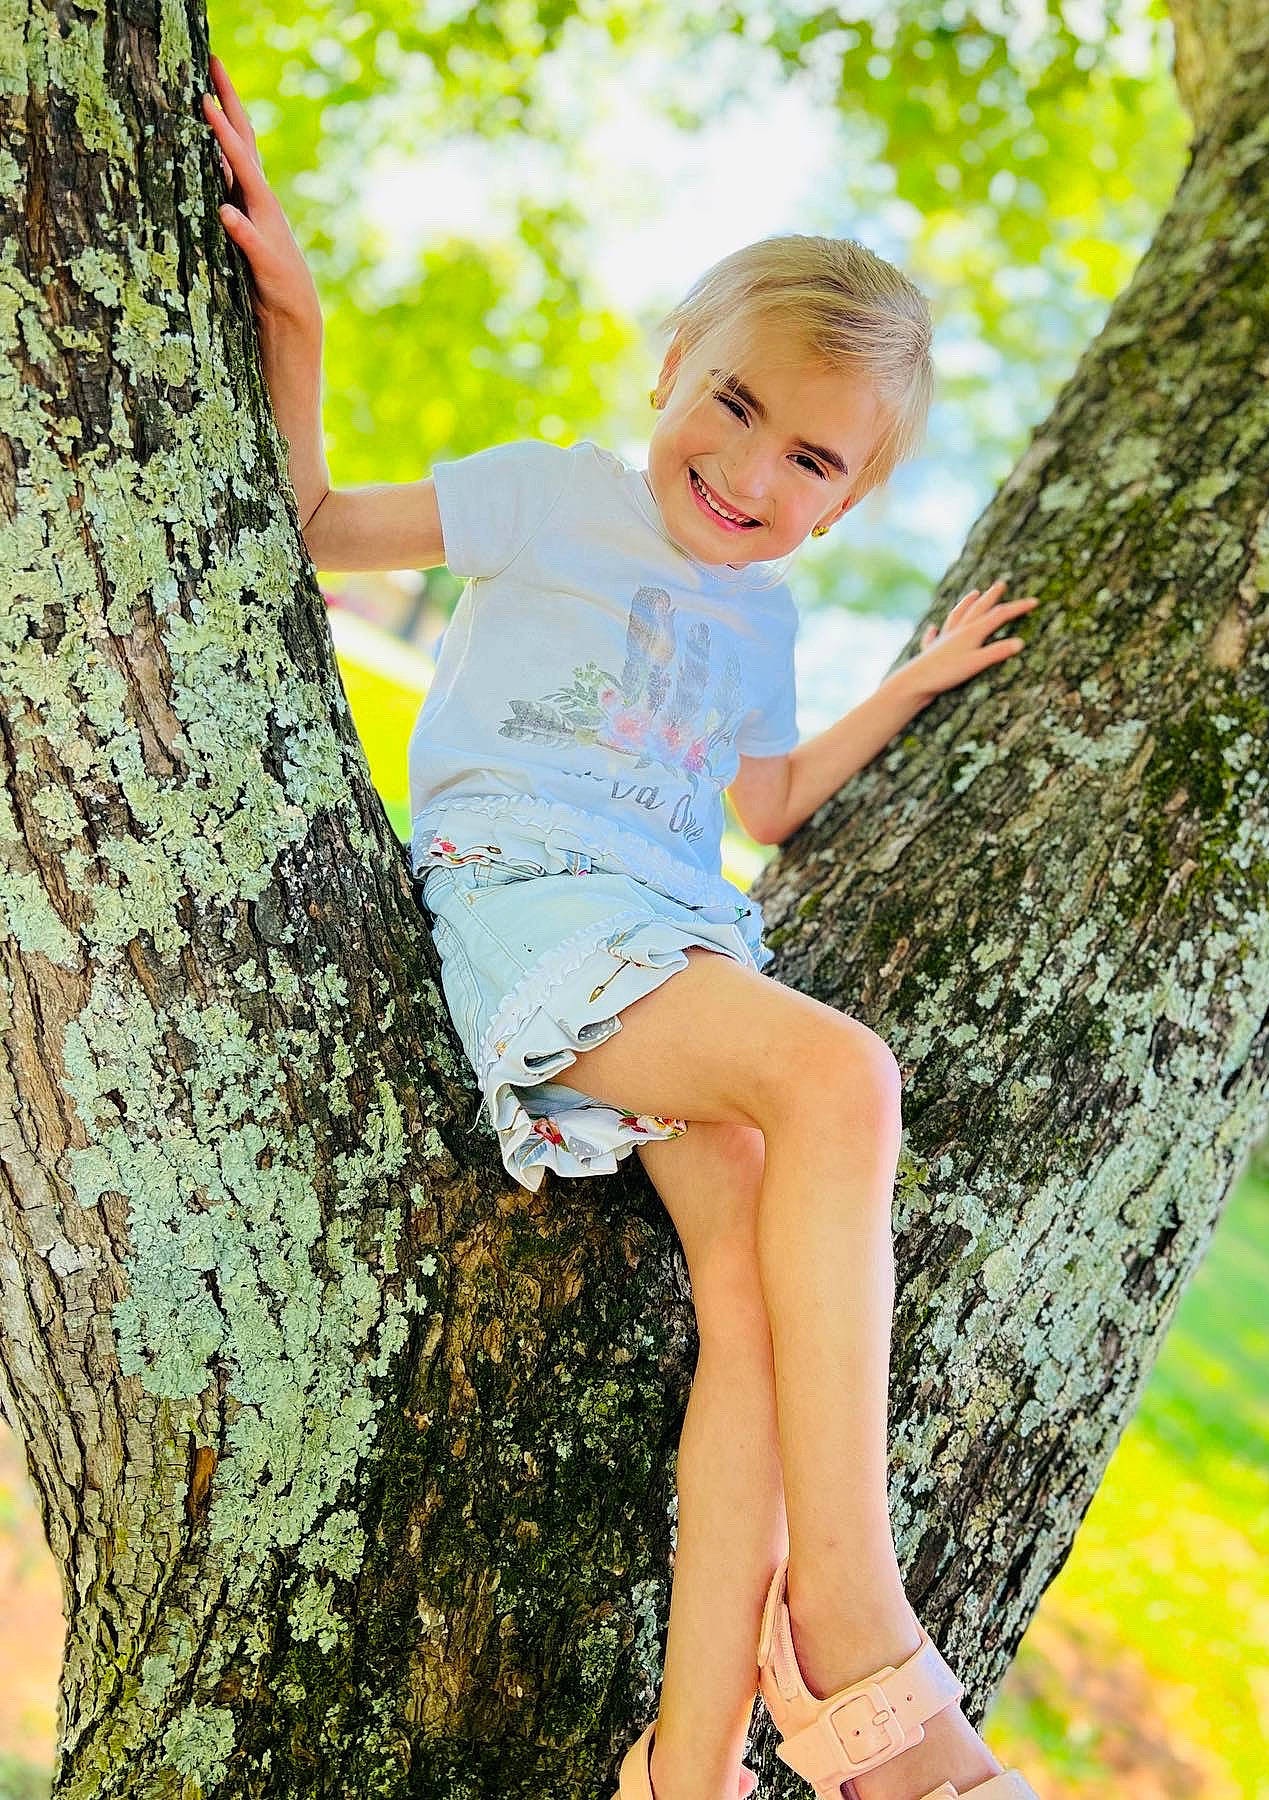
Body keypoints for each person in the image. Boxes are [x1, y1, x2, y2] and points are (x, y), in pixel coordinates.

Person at [203, 50, 1042, 1800]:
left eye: (808, 455)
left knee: (743, 1285)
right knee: (844, 1082)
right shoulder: (546, 496)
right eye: (731, 402)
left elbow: (768, 805)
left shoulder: (769, 620)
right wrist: (303, 337)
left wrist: (920, 678)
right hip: (534, 906)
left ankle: (684, 1770)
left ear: (849, 499)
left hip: (681, 930)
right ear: (674, 362)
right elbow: (304, 529)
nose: (745, 468)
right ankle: (856, 1631)